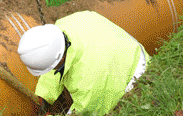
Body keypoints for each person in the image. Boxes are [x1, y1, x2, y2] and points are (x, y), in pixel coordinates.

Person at [17, 11, 150, 116]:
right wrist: (43, 96)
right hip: (122, 48)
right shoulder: (63, 25)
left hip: (136, 73)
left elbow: (85, 111)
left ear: (61, 59)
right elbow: (54, 64)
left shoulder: (87, 80)